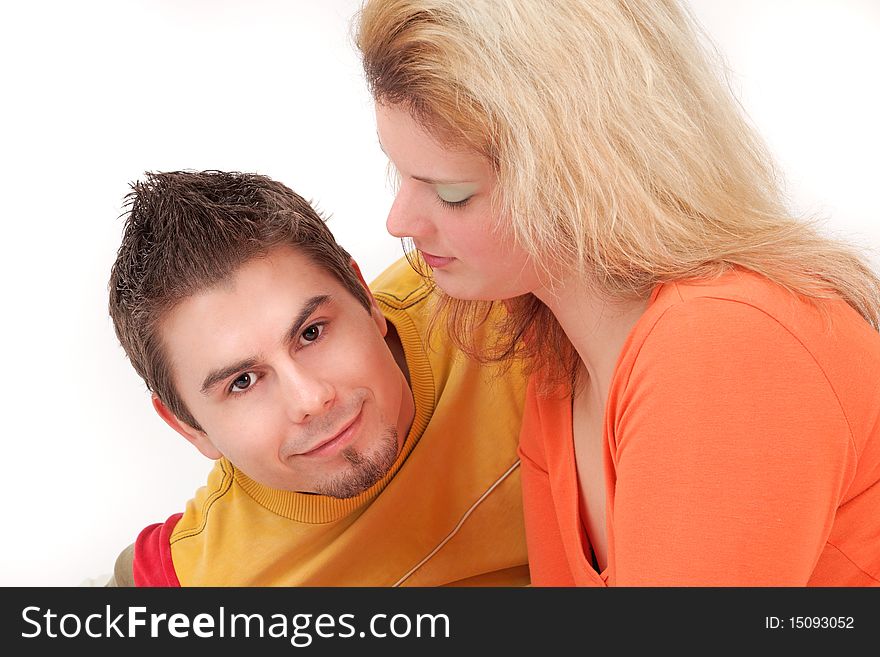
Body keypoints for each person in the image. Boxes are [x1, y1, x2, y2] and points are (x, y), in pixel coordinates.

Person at [356, 0, 880, 585]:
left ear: (586, 178)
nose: (399, 221)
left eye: (452, 193)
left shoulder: (724, 345)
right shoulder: (559, 364)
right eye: (398, 172)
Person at [105, 170, 529, 586]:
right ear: (188, 427)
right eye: (243, 382)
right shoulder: (200, 578)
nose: (309, 399)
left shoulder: (504, 298)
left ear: (365, 297)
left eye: (311, 333)